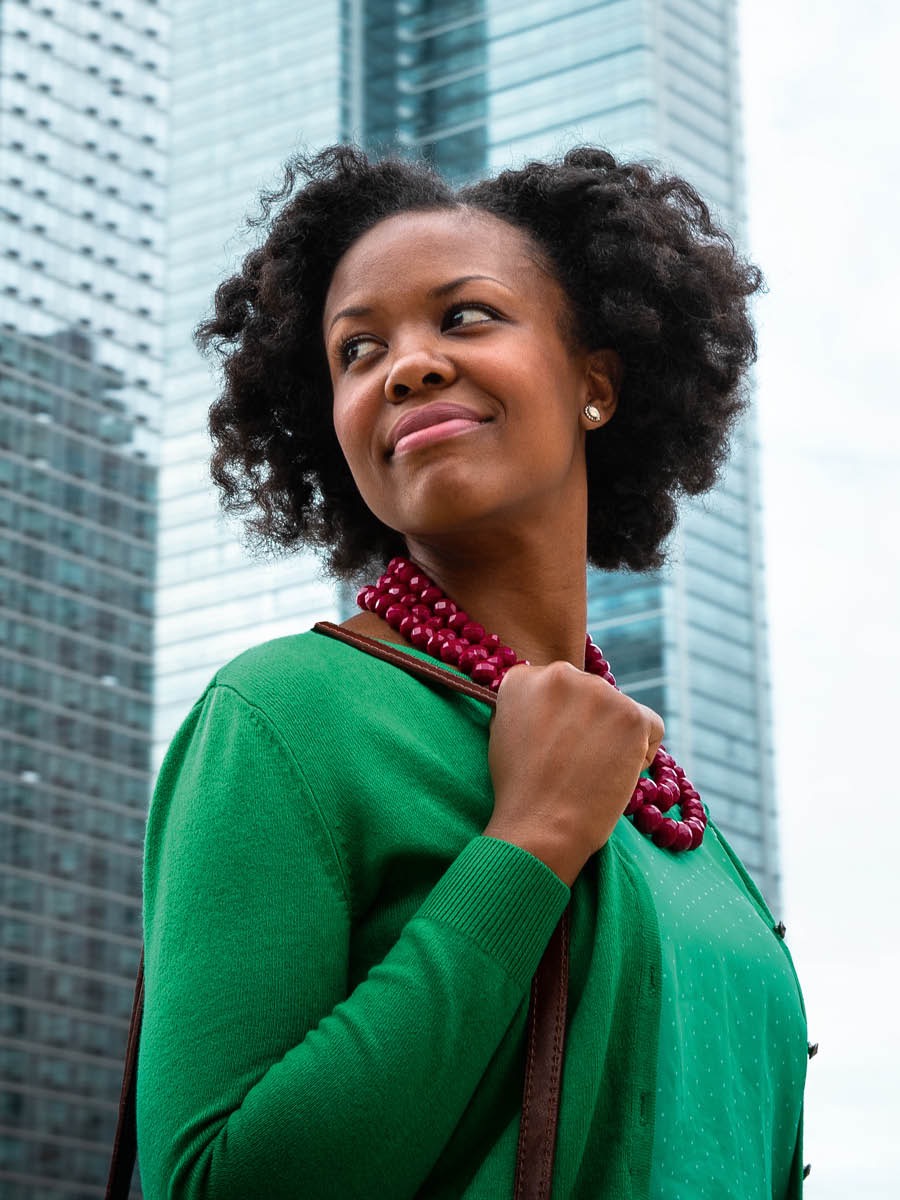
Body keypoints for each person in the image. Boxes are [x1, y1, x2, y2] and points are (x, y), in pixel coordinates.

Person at [136, 145, 807, 1198]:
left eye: (464, 317)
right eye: (358, 350)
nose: (406, 364)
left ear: (596, 381)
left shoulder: (685, 828)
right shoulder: (284, 716)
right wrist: (528, 845)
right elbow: (215, 1182)